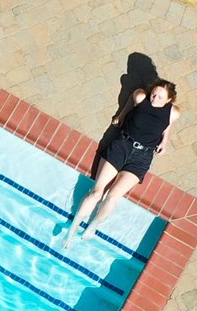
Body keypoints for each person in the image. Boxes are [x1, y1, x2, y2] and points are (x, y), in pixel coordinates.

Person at [67, 81, 179, 240]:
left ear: (168, 100)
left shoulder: (174, 112)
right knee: (97, 192)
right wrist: (121, 115)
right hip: (122, 146)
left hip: (142, 157)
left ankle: (93, 226)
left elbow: (167, 123)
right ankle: (74, 226)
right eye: (154, 93)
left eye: (160, 97)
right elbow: (129, 105)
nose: (154, 98)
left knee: (113, 196)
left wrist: (164, 140)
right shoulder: (141, 96)